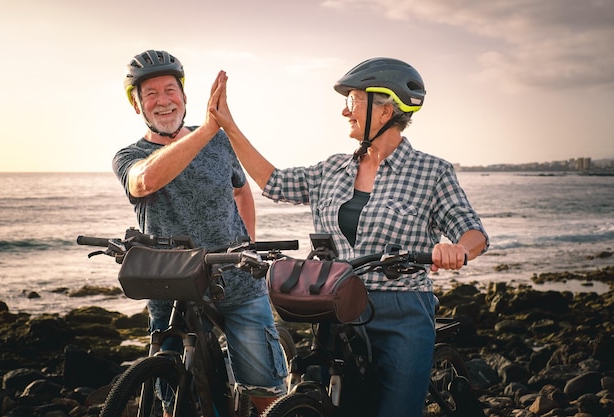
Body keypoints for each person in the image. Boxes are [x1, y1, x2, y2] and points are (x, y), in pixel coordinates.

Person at [208, 58, 489, 417]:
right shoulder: (332, 169)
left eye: (353, 100)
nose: (345, 111)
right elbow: (273, 182)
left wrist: (457, 250)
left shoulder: (432, 171)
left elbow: (473, 231)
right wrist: (229, 127)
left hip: (400, 312)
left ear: (385, 109)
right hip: (334, 307)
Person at [112, 50, 287, 414]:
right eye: (150, 94)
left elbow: (241, 189)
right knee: (176, 399)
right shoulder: (129, 155)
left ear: (185, 96)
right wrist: (209, 127)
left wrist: (247, 245)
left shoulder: (219, 144)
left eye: (170, 90)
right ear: (136, 105)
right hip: (169, 289)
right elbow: (145, 180)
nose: (163, 101)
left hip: (235, 282)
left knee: (266, 393)